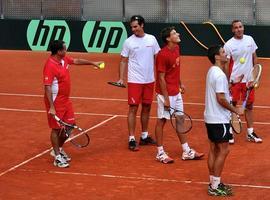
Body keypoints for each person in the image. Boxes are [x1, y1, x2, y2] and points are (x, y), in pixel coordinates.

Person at [43, 40, 102, 168]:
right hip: (55, 102)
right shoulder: (50, 65)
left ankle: (57, 149)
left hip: (66, 100)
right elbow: (47, 87)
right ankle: (57, 157)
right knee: (56, 129)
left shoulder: (63, 60)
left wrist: (93, 63)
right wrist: (51, 107)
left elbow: (77, 61)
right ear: (59, 51)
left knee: (70, 127)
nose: (66, 51)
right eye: (64, 49)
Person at [155, 27, 204, 164]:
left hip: (176, 92)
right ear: (168, 39)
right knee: (162, 121)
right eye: (174, 33)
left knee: (180, 119)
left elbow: (175, 69)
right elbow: (161, 78)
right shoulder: (162, 55)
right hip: (165, 94)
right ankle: (160, 152)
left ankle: (186, 151)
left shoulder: (176, 48)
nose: (178, 34)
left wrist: (180, 83)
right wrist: (165, 99)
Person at [117, 15, 160, 151]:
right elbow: (123, 60)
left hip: (149, 80)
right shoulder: (128, 42)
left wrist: (160, 76)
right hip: (135, 80)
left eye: (135, 26)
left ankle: (144, 136)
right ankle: (131, 138)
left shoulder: (151, 39)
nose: (133, 29)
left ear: (142, 25)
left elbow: (157, 58)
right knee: (133, 108)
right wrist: (121, 78)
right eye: (132, 27)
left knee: (147, 107)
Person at [205, 45, 244, 196]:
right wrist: (235, 110)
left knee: (214, 149)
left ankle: (213, 182)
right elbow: (221, 98)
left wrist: (232, 83)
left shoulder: (212, 71)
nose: (225, 54)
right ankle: (215, 186)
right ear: (216, 56)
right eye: (222, 52)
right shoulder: (220, 75)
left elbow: (221, 90)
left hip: (210, 117)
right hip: (219, 118)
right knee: (224, 150)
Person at [224, 20, 262, 144]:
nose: (239, 29)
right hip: (235, 81)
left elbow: (254, 56)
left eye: (240, 27)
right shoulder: (228, 45)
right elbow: (226, 65)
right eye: (236, 27)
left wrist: (254, 76)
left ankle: (250, 133)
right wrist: (228, 81)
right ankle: (229, 132)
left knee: (249, 106)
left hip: (248, 81)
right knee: (232, 106)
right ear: (232, 30)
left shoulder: (250, 39)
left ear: (243, 28)